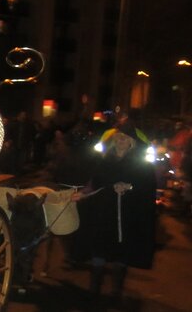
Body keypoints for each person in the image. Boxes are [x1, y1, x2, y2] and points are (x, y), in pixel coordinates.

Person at [70, 123, 157, 302]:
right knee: (99, 246)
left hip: (128, 214)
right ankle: (94, 288)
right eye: (118, 137)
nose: (121, 140)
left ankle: (116, 290)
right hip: (103, 211)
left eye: (125, 138)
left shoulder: (140, 163)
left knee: (121, 250)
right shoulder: (105, 160)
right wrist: (83, 193)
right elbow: (95, 181)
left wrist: (129, 186)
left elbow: (148, 186)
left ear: (132, 142)